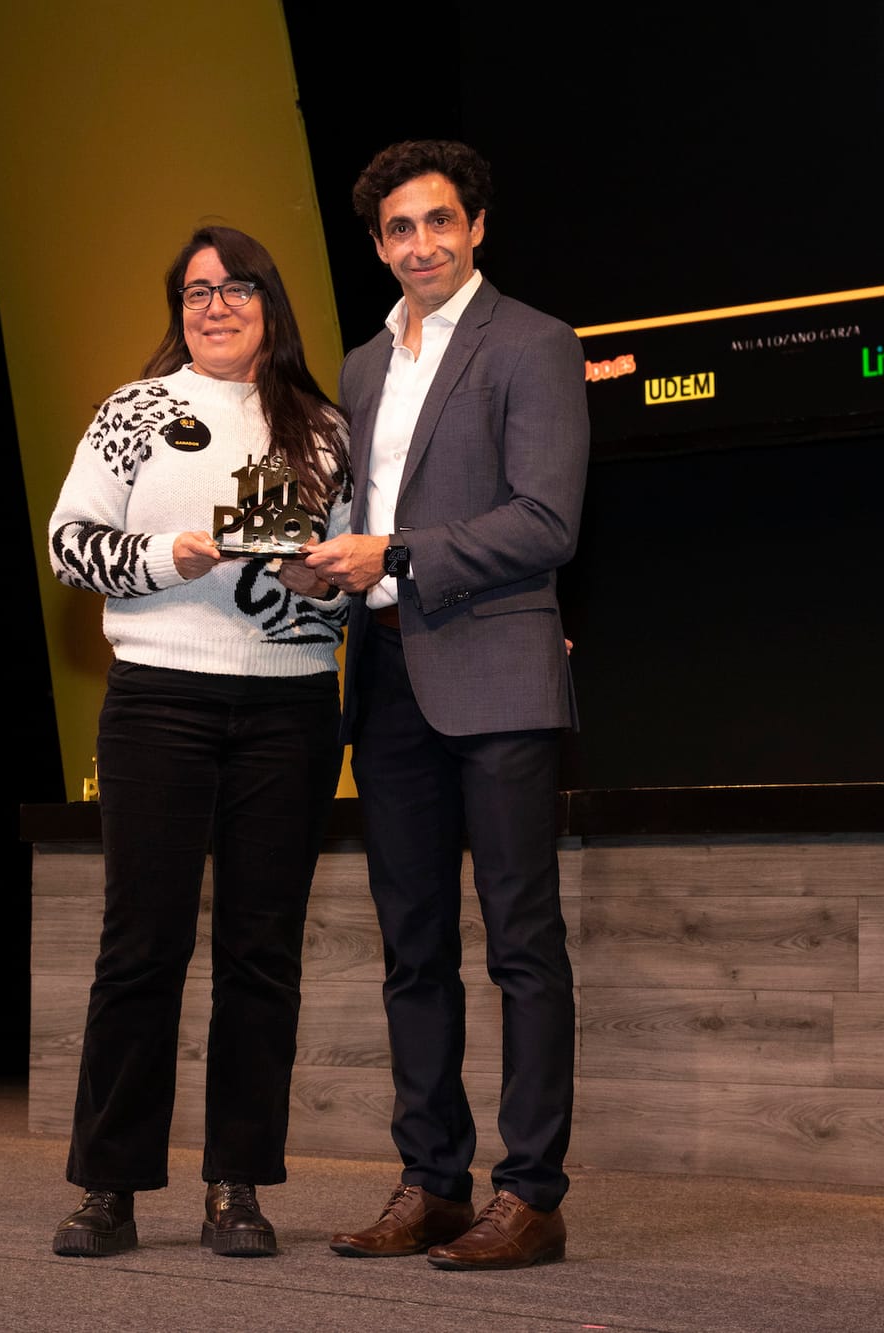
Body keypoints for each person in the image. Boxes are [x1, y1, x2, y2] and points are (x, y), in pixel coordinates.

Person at [304, 140, 589, 1271]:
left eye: (438, 222)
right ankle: (430, 1181)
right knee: (411, 949)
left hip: (498, 674)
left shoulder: (532, 342)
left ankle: (530, 1195)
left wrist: (397, 552)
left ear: (475, 227)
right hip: (384, 680)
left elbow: (546, 519)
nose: (420, 244)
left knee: (522, 945)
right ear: (378, 246)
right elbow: (352, 517)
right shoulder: (361, 366)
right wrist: (313, 561)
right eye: (398, 229)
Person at [45, 224, 350, 1260]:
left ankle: (237, 1186)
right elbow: (70, 545)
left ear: (271, 302)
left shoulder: (324, 427)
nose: (215, 306)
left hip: (290, 706)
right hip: (159, 702)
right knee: (140, 947)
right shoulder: (133, 410)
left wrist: (321, 578)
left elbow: (356, 577)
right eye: (195, 291)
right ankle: (109, 1184)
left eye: (236, 287)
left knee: (262, 955)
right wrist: (168, 555)